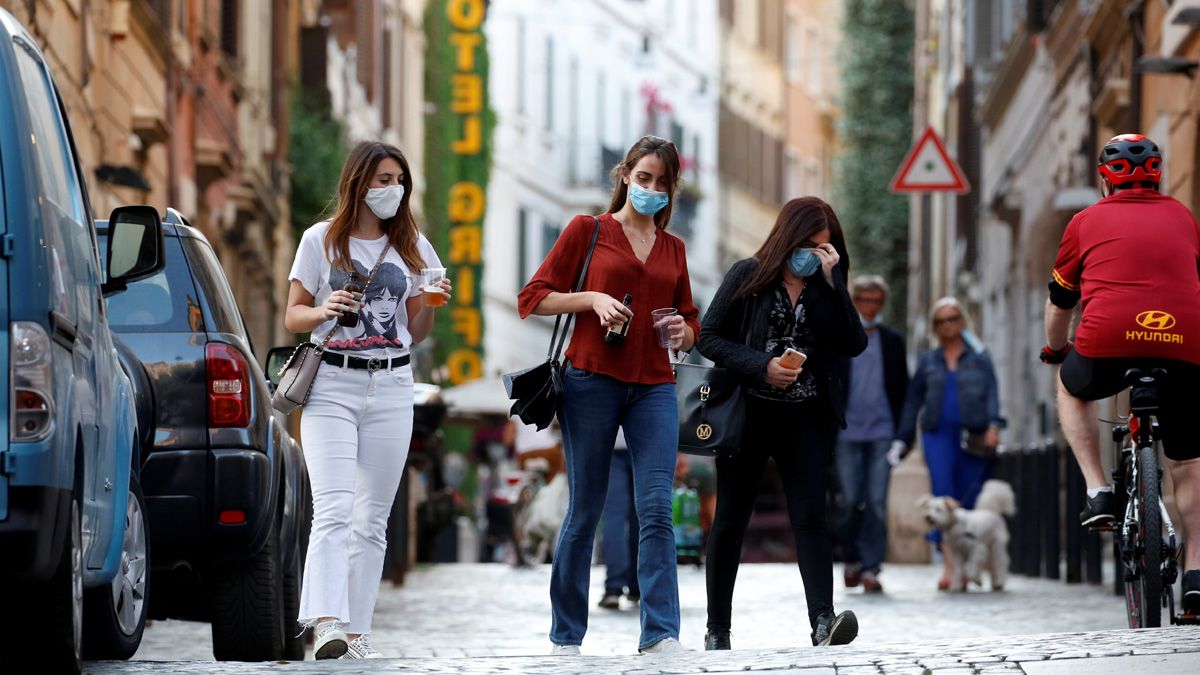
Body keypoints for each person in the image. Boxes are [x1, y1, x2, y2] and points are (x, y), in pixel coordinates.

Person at [517, 135, 700, 655]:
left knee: (657, 510)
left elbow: (691, 320)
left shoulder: (674, 249)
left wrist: (680, 333)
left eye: (662, 183)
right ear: (624, 176)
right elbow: (532, 298)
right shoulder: (588, 231)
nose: (651, 189)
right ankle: (566, 635)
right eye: (643, 178)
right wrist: (592, 298)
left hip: (655, 388)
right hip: (590, 379)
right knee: (586, 510)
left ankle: (661, 632)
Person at [285, 140, 451, 659]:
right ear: (358, 181)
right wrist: (322, 309)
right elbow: (293, 315)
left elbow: (416, 332)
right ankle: (326, 622)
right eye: (382, 178)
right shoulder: (319, 241)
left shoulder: (416, 248)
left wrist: (431, 305)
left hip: (394, 385)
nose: (392, 189)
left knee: (372, 517)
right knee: (333, 507)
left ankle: (356, 632)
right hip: (332, 382)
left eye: (399, 180)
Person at [698, 196, 867, 650]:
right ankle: (718, 630)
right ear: (787, 237)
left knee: (812, 516)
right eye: (807, 245)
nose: (813, 254)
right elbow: (708, 336)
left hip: (807, 416)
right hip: (747, 413)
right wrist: (761, 365)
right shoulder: (747, 276)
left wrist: (836, 284)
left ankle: (823, 621)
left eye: (824, 248)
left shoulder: (826, 285)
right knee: (731, 519)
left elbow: (854, 343)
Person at [1040, 133, 1200, 612]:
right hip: (1183, 341)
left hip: (1107, 340)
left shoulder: (1085, 221)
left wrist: (1056, 350)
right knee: (1190, 467)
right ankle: (1195, 577)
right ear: (1159, 176)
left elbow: (1060, 301)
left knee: (1071, 385)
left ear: (1103, 179)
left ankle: (1099, 491)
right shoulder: (1184, 217)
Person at [893, 297, 1002, 590]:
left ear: (962, 321)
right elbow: (913, 400)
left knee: (970, 499)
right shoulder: (928, 360)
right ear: (935, 327)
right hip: (937, 435)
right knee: (943, 496)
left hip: (973, 435)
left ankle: (971, 565)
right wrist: (902, 438)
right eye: (941, 320)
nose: (948, 325)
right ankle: (950, 566)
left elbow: (992, 392)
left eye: (953, 318)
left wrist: (994, 425)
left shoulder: (980, 358)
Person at [834, 276, 908, 593]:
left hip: (882, 431)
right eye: (864, 299)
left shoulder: (892, 341)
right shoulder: (840, 337)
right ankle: (850, 558)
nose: (870, 306)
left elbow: (903, 389)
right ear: (854, 302)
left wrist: (904, 436)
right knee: (851, 500)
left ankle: (871, 568)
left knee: (876, 503)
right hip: (847, 431)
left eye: (876, 300)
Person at [600, 428, 640, 609]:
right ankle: (638, 584)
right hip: (643, 440)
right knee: (643, 516)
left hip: (610, 442)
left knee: (613, 516)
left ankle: (614, 587)